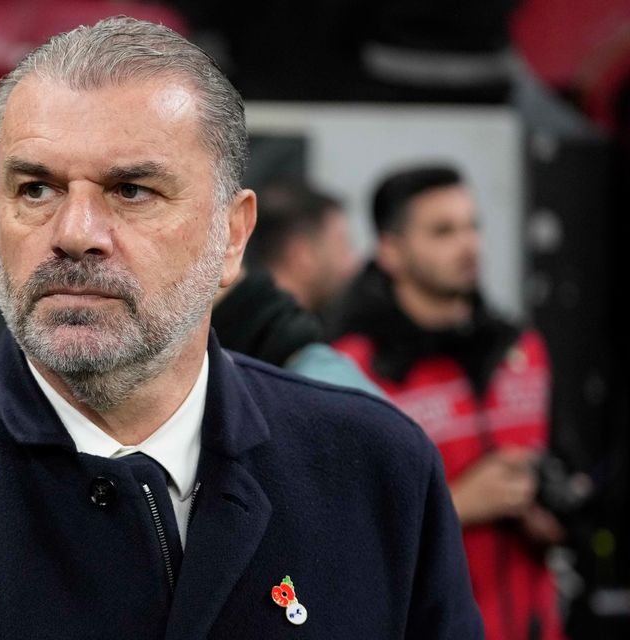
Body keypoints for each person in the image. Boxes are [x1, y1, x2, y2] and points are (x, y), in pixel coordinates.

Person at [0, 18, 482, 638]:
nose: (74, 231)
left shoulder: (378, 473)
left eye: (131, 189)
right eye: (36, 187)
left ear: (233, 236)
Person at [326, 165, 565, 640]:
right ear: (391, 252)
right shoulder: (350, 369)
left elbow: (573, 475)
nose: (469, 245)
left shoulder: (523, 349)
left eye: (473, 226)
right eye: (443, 231)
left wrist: (553, 514)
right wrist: (458, 504)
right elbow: (338, 533)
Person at [211, 180, 379, 394]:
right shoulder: (323, 377)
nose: (353, 262)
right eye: (343, 244)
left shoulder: (216, 350)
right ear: (303, 255)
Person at [246, 180, 359, 315]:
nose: (354, 263)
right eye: (341, 246)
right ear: (303, 255)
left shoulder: (236, 321)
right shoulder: (290, 333)